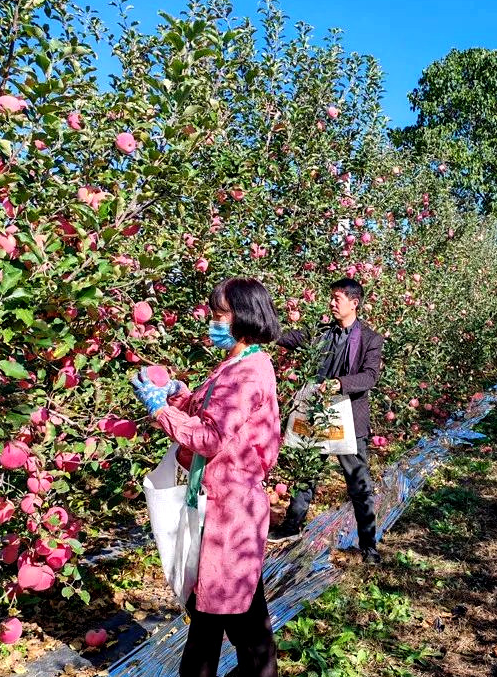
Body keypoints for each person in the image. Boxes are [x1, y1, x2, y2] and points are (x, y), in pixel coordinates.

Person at [131, 278, 282, 677]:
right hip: (225, 507)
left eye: (219, 316)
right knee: (222, 608)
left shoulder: (248, 371)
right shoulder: (239, 362)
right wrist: (180, 396)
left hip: (231, 512)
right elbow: (214, 412)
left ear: (243, 317)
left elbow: (211, 437)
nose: (211, 323)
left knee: (230, 614)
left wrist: (160, 411)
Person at [267, 278, 385, 565]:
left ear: (354, 303)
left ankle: (368, 545)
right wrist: (265, 329)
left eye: (336, 298)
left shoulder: (370, 339)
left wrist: (339, 383)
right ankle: (291, 527)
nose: (331, 303)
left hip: (348, 416)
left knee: (358, 483)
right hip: (316, 412)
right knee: (306, 471)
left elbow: (370, 376)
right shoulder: (322, 332)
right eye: (331, 298)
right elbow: (292, 338)